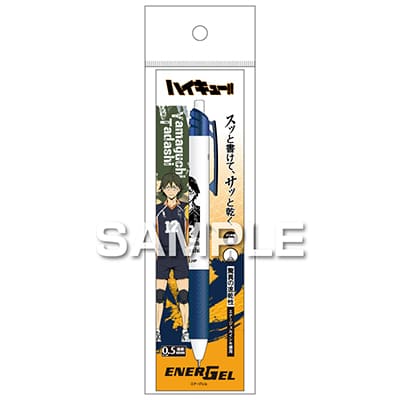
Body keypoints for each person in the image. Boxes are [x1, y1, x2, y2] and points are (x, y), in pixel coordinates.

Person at [156, 172, 189, 343]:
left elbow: (191, 230)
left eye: (174, 187)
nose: (171, 190)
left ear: (179, 189)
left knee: (183, 295)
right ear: (162, 189)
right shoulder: (157, 210)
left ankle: (185, 330)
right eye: (168, 187)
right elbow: (152, 231)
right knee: (159, 295)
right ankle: (156, 330)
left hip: (180, 256)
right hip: (162, 256)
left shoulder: (186, 208)